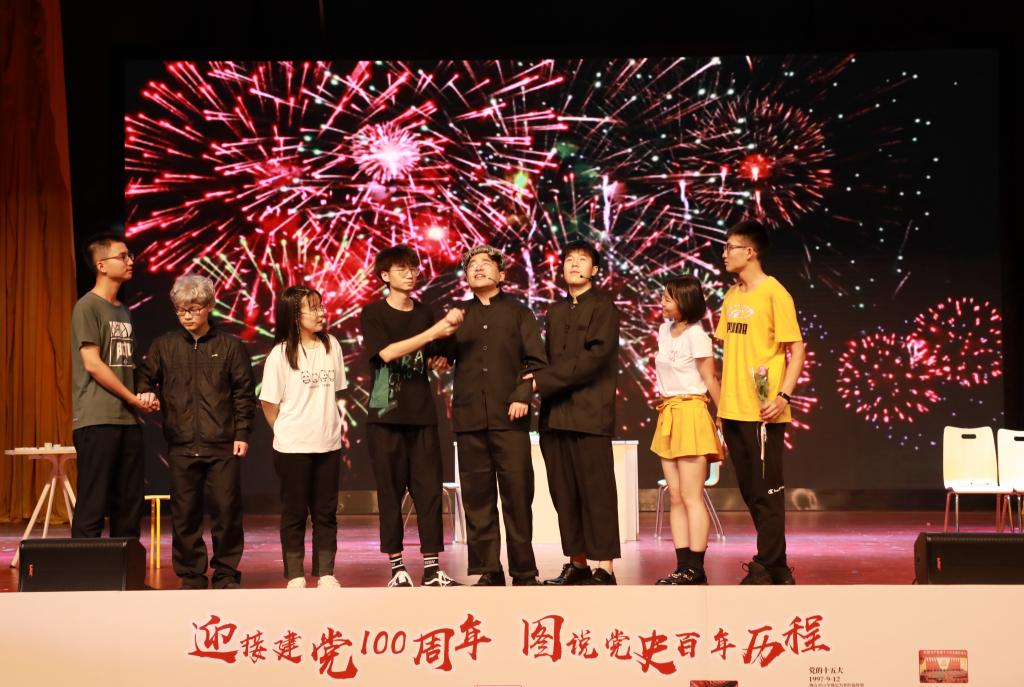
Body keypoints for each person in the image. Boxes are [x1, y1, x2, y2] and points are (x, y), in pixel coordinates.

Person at [136, 274, 256, 589]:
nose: (187, 316)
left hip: (223, 445)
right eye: (181, 310)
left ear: (209, 306)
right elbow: (144, 376)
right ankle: (191, 574)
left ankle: (226, 572)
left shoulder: (230, 347)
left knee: (227, 513)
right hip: (181, 444)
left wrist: (242, 433)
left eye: (194, 309)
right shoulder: (164, 346)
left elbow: (244, 394)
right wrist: (146, 390)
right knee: (185, 514)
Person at [439, 245, 547, 586]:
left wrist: (522, 395)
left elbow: (537, 361)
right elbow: (440, 357)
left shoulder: (519, 313)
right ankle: (488, 569)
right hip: (470, 418)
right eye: (472, 265)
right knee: (477, 497)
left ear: (501, 274)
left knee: (518, 496)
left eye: (486, 264)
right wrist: (443, 333)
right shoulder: (458, 315)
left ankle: (524, 571)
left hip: (510, 418)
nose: (478, 268)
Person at [360, 245, 464, 587]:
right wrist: (434, 332)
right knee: (390, 492)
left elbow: (435, 354)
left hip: (421, 413)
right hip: (385, 414)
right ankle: (397, 567)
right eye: (402, 269)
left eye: (414, 268)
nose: (410, 274)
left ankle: (432, 568)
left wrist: (442, 352)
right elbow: (387, 353)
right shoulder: (373, 313)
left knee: (429, 491)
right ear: (385, 275)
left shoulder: (424, 312)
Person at [715, 219, 806, 585]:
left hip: (764, 411)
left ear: (750, 252)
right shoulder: (732, 296)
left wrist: (783, 395)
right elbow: (732, 352)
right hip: (732, 409)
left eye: (730, 247)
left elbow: (796, 350)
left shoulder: (774, 293)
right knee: (750, 491)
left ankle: (766, 563)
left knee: (767, 491)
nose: (724, 254)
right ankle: (777, 566)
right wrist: (721, 405)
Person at [527, 240, 622, 586]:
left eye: (583, 260)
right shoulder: (555, 311)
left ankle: (605, 567)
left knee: (597, 492)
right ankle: (577, 563)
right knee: (563, 493)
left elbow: (594, 359)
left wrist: (541, 381)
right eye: (569, 259)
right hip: (555, 415)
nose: (575, 264)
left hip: (590, 414)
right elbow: (546, 357)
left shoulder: (603, 307)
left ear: (594, 270)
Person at [260, 285, 346, 589]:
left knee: (326, 513)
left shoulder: (331, 345)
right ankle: (295, 574)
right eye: (314, 308)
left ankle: (326, 573)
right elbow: (269, 403)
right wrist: (286, 431)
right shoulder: (280, 353)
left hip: (328, 444)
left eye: (321, 306)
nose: (322, 313)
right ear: (295, 316)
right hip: (292, 447)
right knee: (295, 513)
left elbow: (336, 390)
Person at [71, 232, 153, 540]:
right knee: (93, 502)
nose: (130, 261)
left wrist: (143, 396)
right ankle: (85, 568)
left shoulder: (123, 310)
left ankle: (125, 568)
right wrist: (131, 397)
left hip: (128, 420)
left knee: (129, 504)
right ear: (101, 265)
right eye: (122, 256)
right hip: (97, 418)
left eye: (130, 255)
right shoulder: (87, 306)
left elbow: (127, 364)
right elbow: (93, 364)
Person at [650, 276, 724, 585]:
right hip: (668, 413)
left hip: (692, 412)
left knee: (693, 496)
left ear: (685, 301)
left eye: (668, 298)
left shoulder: (697, 335)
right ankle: (682, 567)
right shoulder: (663, 330)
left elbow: (709, 378)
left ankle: (697, 567)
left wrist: (722, 417)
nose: (662, 302)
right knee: (676, 496)